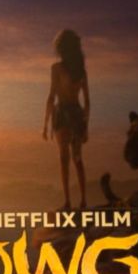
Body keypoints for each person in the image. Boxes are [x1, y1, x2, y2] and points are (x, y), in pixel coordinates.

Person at [42, 29, 90, 209]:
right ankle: (83, 201)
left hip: (62, 114)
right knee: (77, 158)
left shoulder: (56, 69)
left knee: (64, 158)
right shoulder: (81, 71)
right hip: (77, 114)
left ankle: (68, 202)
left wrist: (45, 124)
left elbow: (51, 96)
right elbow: (87, 102)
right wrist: (85, 125)